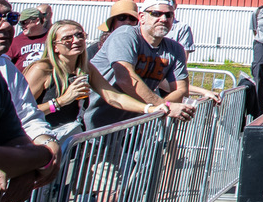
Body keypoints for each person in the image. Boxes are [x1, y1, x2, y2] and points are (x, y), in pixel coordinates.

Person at [0, 0, 54, 202]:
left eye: (10, 18)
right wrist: (45, 155)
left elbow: (16, 140)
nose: (5, 26)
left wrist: (30, 165)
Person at [25, 19, 166, 137]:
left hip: (69, 137)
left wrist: (149, 109)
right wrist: (61, 101)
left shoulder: (85, 68)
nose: (76, 40)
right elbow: (20, 111)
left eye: (80, 35)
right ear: (55, 46)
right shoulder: (42, 69)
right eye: (67, 38)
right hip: (37, 138)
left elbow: (113, 96)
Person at [85, 0, 195, 128]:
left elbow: (181, 90)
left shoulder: (175, 49)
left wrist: (160, 108)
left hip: (130, 126)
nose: (163, 19)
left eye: (169, 15)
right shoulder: (125, 35)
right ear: (142, 17)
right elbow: (126, 79)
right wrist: (163, 107)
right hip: (95, 124)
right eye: (156, 14)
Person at [6, 6, 50, 72]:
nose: (22, 26)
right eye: (20, 23)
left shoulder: (51, 38)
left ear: (37, 21)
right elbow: (5, 63)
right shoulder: (15, 42)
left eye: (24, 23)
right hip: (21, 80)